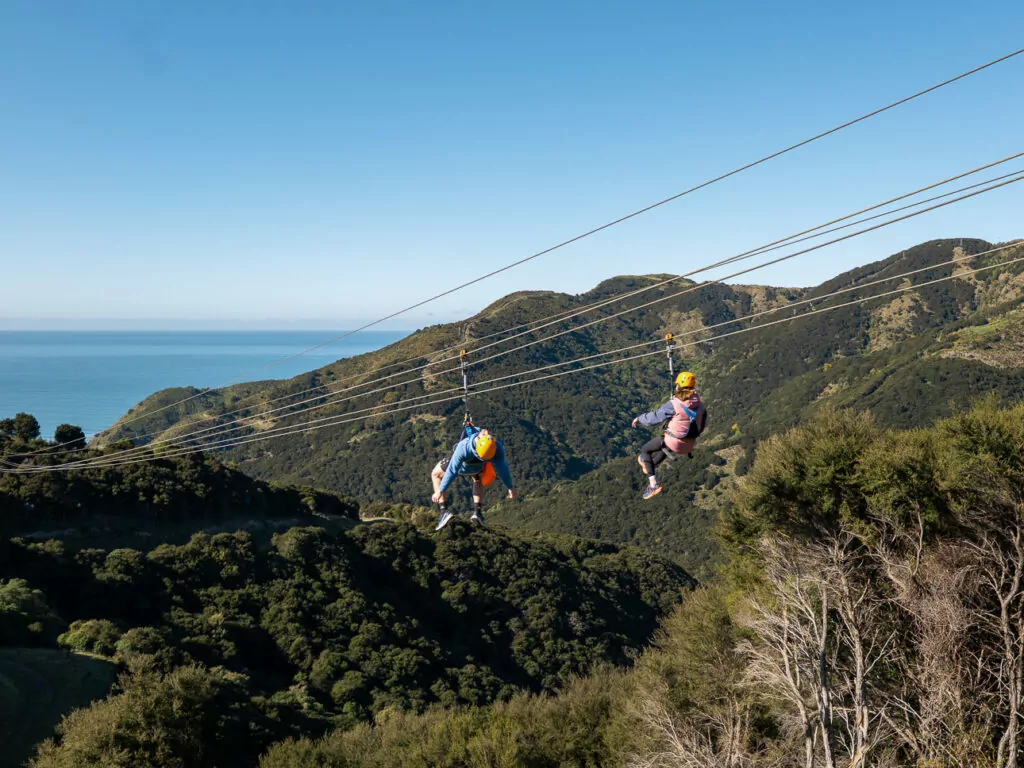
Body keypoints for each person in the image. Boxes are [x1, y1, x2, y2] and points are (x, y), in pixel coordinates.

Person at [631, 371, 707, 500]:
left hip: (674, 441)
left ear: (678, 386)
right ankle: (651, 465)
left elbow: (654, 418)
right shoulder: (700, 406)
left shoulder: (675, 404)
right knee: (665, 445)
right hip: (689, 444)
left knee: (645, 450)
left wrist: (639, 419)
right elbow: (701, 425)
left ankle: (653, 485)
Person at [431, 424, 517, 530]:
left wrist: (440, 490)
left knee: (435, 474)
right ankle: (477, 512)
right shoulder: (497, 448)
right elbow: (502, 471)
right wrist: (510, 488)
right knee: (478, 478)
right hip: (478, 468)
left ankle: (444, 510)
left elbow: (452, 470)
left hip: (462, 467)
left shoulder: (464, 446)